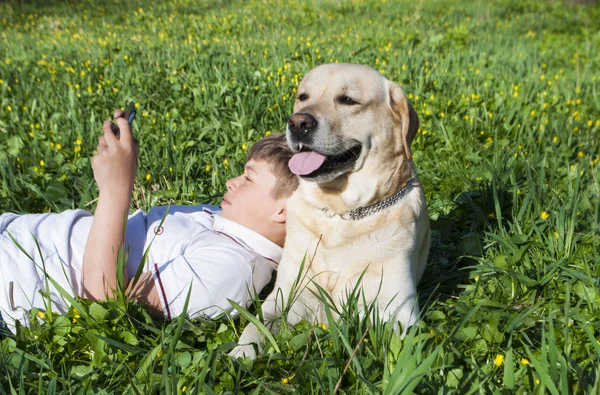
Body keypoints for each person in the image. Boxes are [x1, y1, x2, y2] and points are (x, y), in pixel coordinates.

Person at [0, 111, 298, 334]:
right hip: (15, 233)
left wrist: (116, 188)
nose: (232, 182)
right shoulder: (224, 220)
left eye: (248, 178)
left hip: (14, 279)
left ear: (283, 211)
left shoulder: (231, 268)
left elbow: (103, 302)